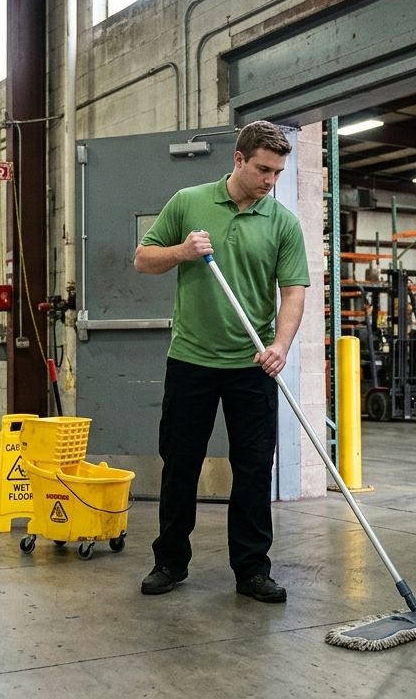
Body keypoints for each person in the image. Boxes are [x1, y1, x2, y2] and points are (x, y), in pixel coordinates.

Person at [133, 120, 309, 603]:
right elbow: (143, 259)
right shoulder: (188, 202)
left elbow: (293, 293)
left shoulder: (283, 222)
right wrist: (183, 251)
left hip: (253, 364)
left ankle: (252, 569)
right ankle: (170, 561)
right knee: (181, 462)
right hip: (190, 360)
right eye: (262, 169)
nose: (270, 181)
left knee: (253, 467)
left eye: (276, 172)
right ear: (238, 159)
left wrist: (281, 346)